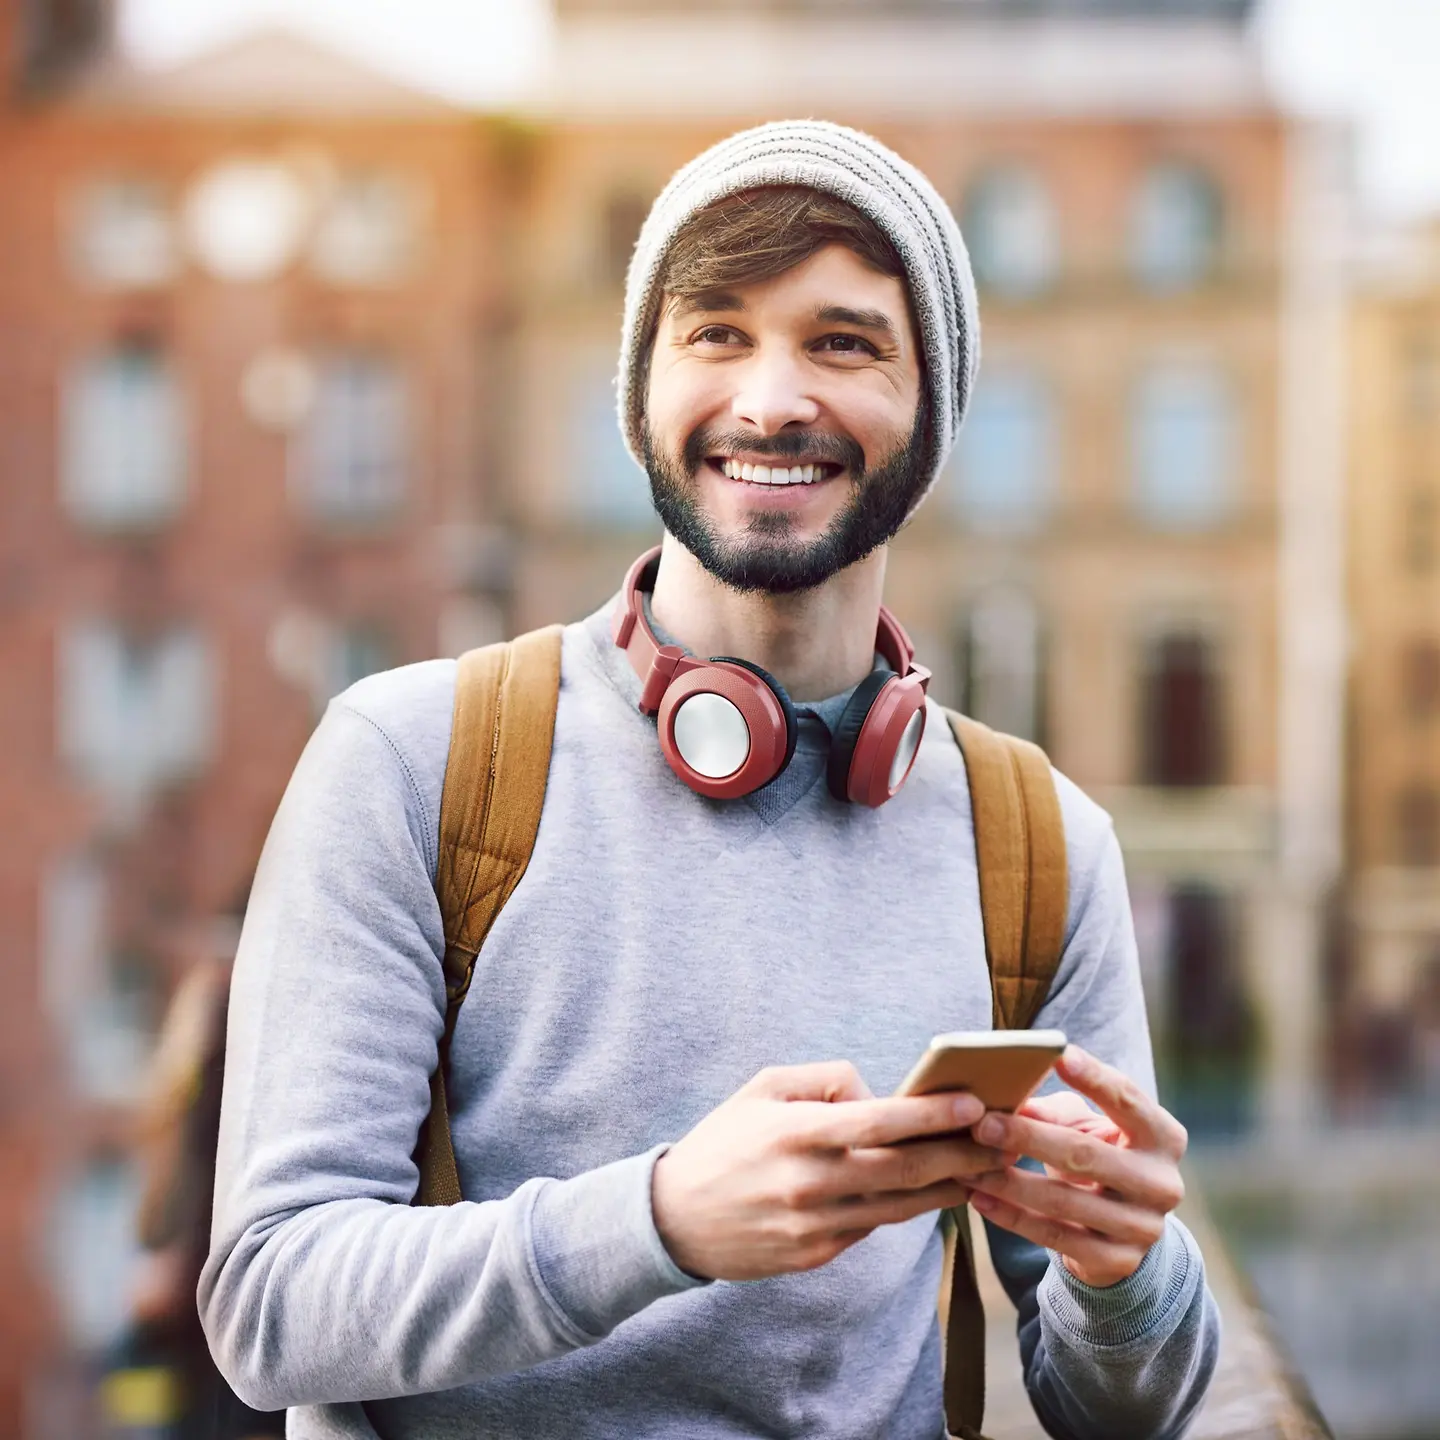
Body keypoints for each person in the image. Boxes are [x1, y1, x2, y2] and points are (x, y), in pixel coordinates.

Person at [200, 121, 1220, 1439]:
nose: (772, 399)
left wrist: (1125, 1280)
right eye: (717, 333)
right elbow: (270, 1308)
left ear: (937, 412)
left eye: (842, 343)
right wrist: (662, 1221)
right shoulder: (411, 762)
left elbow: (1116, 1414)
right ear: (641, 396)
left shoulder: (1039, 845)